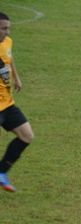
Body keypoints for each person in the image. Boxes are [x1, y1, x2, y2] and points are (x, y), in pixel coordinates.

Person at [0, 12, 34, 193]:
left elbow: (9, 58)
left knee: (27, 136)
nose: (7, 32)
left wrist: (16, 77)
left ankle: (1, 172)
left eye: (8, 28)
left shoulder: (7, 42)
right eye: (3, 28)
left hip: (7, 103)